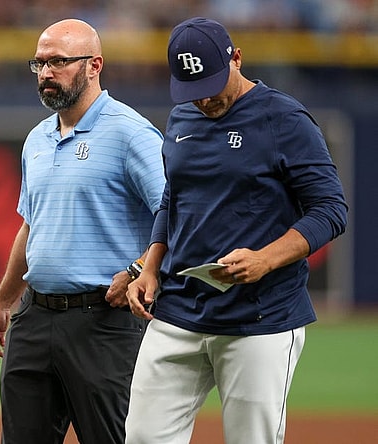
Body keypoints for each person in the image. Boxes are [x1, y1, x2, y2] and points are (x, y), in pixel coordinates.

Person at [124, 17, 348, 444]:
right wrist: (149, 265)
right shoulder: (180, 117)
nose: (203, 99)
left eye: (210, 82)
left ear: (237, 58)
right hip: (179, 310)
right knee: (141, 437)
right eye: (192, 89)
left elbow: (331, 209)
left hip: (259, 316)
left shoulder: (284, 118)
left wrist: (265, 259)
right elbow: (174, 197)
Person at [0, 19, 166, 444]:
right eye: (40, 63)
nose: (46, 73)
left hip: (104, 322)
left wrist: (140, 270)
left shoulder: (130, 132)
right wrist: (4, 304)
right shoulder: (37, 139)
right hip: (34, 317)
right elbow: (32, 226)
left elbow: (174, 213)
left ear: (94, 65)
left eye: (59, 62)